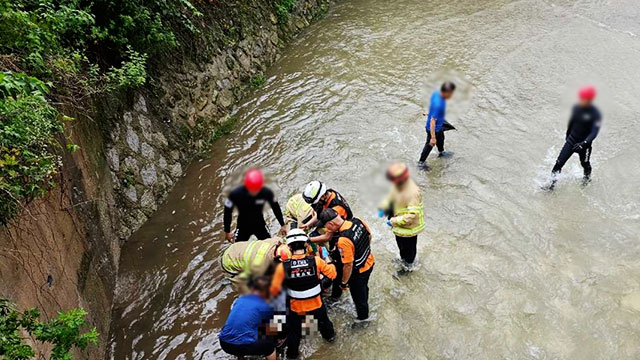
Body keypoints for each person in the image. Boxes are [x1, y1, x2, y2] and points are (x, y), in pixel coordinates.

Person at [270, 229, 337, 359]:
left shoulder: (282, 267)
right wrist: (328, 261)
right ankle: (331, 341)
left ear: (289, 247)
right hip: (317, 306)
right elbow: (332, 274)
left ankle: (292, 356)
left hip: (297, 309)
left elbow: (275, 289)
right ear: (306, 244)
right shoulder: (316, 261)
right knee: (324, 324)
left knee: (294, 333)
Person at [319, 209, 375, 322]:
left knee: (359, 299)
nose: (327, 230)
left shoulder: (343, 240)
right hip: (369, 261)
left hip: (359, 272)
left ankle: (363, 320)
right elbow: (369, 236)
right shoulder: (357, 221)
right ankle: (363, 299)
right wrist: (362, 251)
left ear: (331, 224)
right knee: (363, 289)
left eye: (327, 227)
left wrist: (344, 283)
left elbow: (348, 265)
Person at [545, 86, 602, 190]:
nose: (581, 100)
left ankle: (586, 180)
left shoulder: (595, 114)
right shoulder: (576, 108)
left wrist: (583, 144)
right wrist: (567, 136)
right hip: (571, 141)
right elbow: (571, 122)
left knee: (585, 164)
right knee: (558, 164)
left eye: (583, 99)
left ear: (589, 100)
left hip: (584, 146)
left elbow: (594, 132)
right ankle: (551, 187)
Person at [219, 276, 277, 360]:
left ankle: (240, 357)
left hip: (225, 343)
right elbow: (272, 327)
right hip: (246, 345)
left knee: (240, 329)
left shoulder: (240, 299)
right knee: (270, 346)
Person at [379, 163, 425, 267]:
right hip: (399, 225)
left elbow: (412, 215)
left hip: (410, 229)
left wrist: (393, 221)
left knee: (409, 251)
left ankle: (408, 267)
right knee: (401, 247)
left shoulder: (413, 192)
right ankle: (403, 261)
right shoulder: (397, 185)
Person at [223, 169, 286, 242]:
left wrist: (282, 225)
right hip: (243, 226)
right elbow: (227, 212)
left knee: (268, 245)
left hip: (260, 225)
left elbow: (276, 208)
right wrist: (227, 231)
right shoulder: (234, 194)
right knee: (237, 248)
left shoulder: (267, 192)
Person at [221, 237, 290, 293]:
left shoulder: (277, 240)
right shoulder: (261, 266)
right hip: (229, 262)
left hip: (237, 248)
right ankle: (230, 280)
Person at [418, 81, 456, 170]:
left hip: (439, 126)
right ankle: (421, 163)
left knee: (441, 138)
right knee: (430, 144)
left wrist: (429, 113)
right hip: (433, 128)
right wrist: (433, 137)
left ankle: (441, 153)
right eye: (451, 93)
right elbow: (432, 121)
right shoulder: (439, 104)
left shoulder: (436, 94)